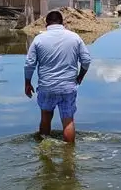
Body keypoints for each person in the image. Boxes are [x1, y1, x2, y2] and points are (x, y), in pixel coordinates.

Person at [24, 10, 93, 144]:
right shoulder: (74, 37)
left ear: (46, 24)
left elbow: (29, 64)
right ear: (63, 23)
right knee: (68, 120)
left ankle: (44, 150)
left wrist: (27, 83)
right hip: (68, 87)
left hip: (47, 87)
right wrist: (80, 76)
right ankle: (69, 152)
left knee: (45, 118)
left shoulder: (39, 39)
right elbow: (86, 60)